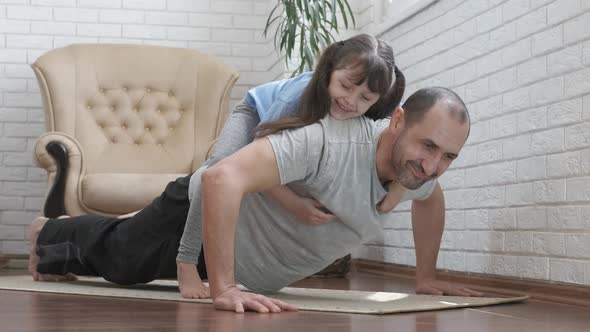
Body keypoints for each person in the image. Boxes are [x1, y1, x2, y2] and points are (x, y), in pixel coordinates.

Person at [28, 87, 481, 315]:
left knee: (122, 252)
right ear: (397, 120)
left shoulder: (414, 171)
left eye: (448, 157)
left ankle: (76, 232)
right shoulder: (329, 141)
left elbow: (430, 198)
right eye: (428, 147)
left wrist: (425, 276)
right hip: (200, 221)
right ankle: (45, 231)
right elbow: (222, 176)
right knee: (119, 260)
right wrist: (224, 287)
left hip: (233, 263)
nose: (433, 165)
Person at [176, 33, 407, 298]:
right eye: (345, 86)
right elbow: (256, 156)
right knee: (214, 170)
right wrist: (293, 204)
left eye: (365, 99)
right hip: (256, 117)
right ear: (330, 70)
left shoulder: (388, 106)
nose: (351, 101)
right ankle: (186, 262)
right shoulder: (296, 98)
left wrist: (399, 186)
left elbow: (408, 137)